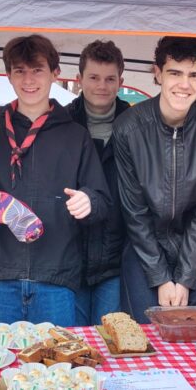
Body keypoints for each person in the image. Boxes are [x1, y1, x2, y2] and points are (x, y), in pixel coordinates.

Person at [0, 34, 111, 329]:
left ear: (55, 74)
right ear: (8, 75)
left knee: (56, 357)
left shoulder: (76, 136)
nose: (29, 80)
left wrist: (89, 202)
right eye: (19, 71)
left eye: (37, 70)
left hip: (56, 278)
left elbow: (102, 199)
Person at [113, 36, 196, 322]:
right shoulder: (128, 127)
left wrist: (186, 278)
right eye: (175, 73)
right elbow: (134, 211)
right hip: (145, 246)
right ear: (158, 73)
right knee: (143, 333)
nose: (184, 84)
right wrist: (160, 277)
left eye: (194, 75)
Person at [67, 39, 131, 326]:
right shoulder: (60, 122)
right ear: (79, 79)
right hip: (69, 256)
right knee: (74, 339)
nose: (102, 86)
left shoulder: (137, 124)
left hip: (117, 257)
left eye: (110, 79)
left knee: (111, 339)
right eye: (94, 77)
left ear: (121, 82)